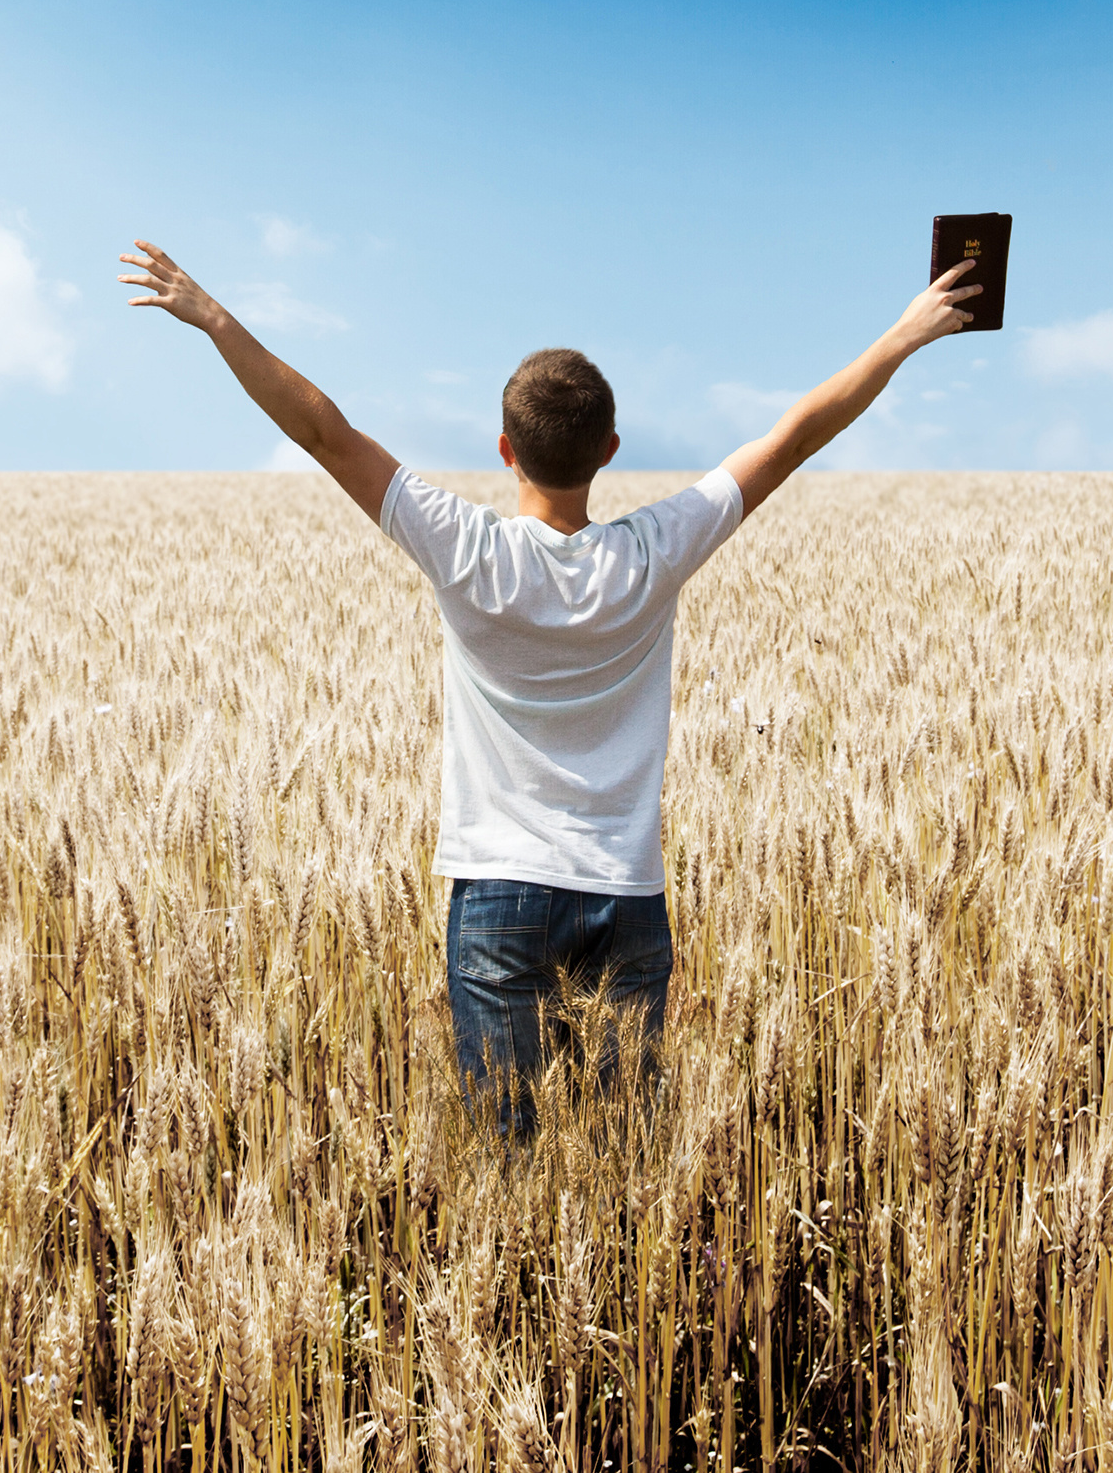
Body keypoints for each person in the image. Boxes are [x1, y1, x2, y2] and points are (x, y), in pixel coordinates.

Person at [117, 237, 983, 1133]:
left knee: (511, 1165)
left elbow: (323, 431)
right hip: (627, 892)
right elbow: (793, 437)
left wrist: (215, 319)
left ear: (504, 448)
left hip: (498, 894)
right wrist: (904, 335)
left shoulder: (467, 550)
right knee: (623, 1169)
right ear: (609, 448)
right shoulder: (654, 551)